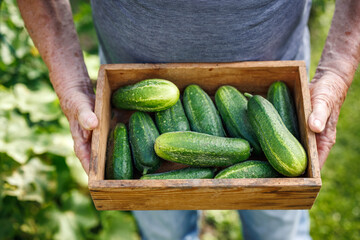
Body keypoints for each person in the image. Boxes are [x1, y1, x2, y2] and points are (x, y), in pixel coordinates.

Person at [17, 0, 360, 239]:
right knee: (164, 229)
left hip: (278, 72)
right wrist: (71, 83)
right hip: (133, 76)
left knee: (279, 225)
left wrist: (337, 70)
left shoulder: (255, 129)